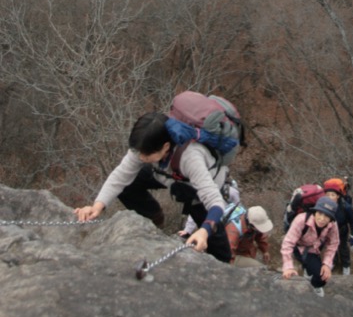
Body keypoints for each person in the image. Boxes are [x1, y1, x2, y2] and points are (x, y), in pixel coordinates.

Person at [74, 110, 243, 263]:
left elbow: (215, 202)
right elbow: (121, 175)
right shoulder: (144, 146)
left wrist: (204, 230)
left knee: (219, 250)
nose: (140, 157)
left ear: (166, 147)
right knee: (130, 182)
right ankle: (154, 218)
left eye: (145, 154)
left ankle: (225, 262)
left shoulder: (191, 157)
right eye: (138, 152)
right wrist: (98, 206)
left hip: (198, 186)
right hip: (168, 174)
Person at [281, 195, 339, 297]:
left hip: (314, 248)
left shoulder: (332, 225)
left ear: (331, 218)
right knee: (306, 262)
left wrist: (327, 264)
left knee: (322, 278)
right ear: (315, 212)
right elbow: (288, 243)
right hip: (298, 246)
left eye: (327, 216)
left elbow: (333, 243)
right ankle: (306, 269)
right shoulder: (301, 220)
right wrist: (288, 267)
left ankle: (313, 285)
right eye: (320, 213)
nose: (322, 219)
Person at [323, 177, 353, 275]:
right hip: (329, 230)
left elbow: (352, 221)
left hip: (342, 230)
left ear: (338, 196)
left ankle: (346, 265)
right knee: (330, 246)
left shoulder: (346, 207)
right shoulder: (324, 205)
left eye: (332, 195)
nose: (330, 197)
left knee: (343, 248)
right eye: (327, 195)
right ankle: (333, 262)